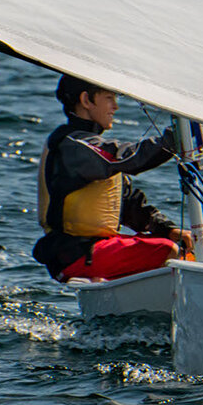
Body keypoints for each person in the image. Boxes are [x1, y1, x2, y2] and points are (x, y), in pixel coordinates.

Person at [33, 74, 183, 283]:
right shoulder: (75, 146)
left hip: (95, 249)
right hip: (75, 253)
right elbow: (131, 159)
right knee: (166, 249)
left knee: (179, 245)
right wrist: (180, 136)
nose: (116, 107)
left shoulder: (89, 146)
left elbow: (128, 204)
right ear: (86, 100)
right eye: (109, 98)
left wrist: (167, 229)